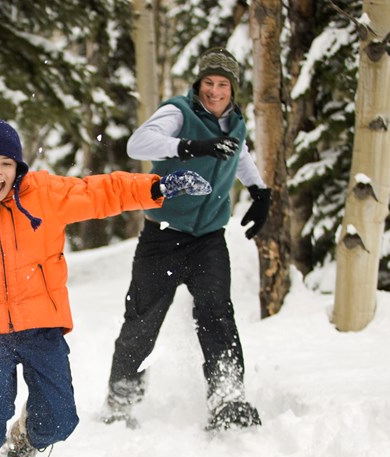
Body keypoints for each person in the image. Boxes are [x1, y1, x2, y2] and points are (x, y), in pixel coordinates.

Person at [0, 108, 212, 457]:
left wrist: (156, 187)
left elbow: (101, 191)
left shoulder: (43, 194)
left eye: (6, 165)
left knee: (61, 419)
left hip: (42, 324)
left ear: (18, 167)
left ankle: (25, 443)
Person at [102, 47, 272, 431]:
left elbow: (240, 154)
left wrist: (260, 191)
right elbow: (138, 144)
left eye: (223, 85)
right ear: (199, 84)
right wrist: (189, 145)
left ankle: (227, 395)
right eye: (209, 83)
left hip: (209, 239)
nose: (215, 91)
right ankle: (121, 398)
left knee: (217, 314)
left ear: (233, 89)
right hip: (162, 236)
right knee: (142, 322)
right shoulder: (179, 112)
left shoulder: (236, 124)